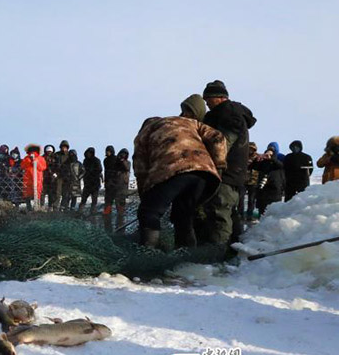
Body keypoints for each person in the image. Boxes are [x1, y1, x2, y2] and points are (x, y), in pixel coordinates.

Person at [133, 94, 227, 249]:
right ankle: (186, 258)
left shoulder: (147, 131)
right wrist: (219, 164)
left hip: (172, 170)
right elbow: (217, 137)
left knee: (149, 212)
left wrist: (146, 196)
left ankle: (147, 255)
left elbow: (140, 168)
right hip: (205, 176)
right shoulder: (190, 122)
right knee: (182, 216)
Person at [199, 80, 256, 249]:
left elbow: (223, 142)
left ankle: (217, 253)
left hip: (225, 172)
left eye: (208, 98)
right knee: (230, 212)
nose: (206, 103)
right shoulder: (228, 112)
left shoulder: (228, 112)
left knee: (220, 211)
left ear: (219, 97)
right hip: (234, 172)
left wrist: (216, 163)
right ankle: (235, 248)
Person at [251, 143, 285, 216]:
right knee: (262, 209)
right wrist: (257, 159)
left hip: (275, 189)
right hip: (263, 189)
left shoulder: (279, 159)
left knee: (274, 210)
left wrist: (272, 158)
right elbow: (254, 167)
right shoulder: (263, 161)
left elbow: (281, 165)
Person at [104, 148, 131, 217]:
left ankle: (120, 216)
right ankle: (106, 214)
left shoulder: (127, 162)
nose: (123, 155)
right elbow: (110, 172)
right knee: (108, 201)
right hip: (113, 185)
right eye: (122, 154)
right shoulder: (115, 162)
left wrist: (122, 161)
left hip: (122, 186)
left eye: (125, 154)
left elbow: (126, 168)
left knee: (120, 202)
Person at [20, 144, 46, 210]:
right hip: (28, 179)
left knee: (37, 192)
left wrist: (35, 161)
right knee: (27, 193)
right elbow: (22, 166)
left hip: (37, 179)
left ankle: (37, 207)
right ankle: (30, 207)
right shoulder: (26, 158)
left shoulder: (40, 158)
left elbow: (42, 167)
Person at [79, 147, 102, 214]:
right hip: (87, 183)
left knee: (94, 200)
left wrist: (92, 171)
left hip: (95, 183)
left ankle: (93, 211)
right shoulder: (85, 160)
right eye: (88, 153)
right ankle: (80, 211)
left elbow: (99, 169)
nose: (89, 154)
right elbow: (83, 170)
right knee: (83, 199)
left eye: (90, 153)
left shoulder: (96, 160)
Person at [243, 142, 260, 221]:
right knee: (240, 199)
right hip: (243, 181)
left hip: (253, 181)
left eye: (252, 149)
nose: (250, 150)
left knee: (251, 199)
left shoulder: (257, 157)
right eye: (249, 148)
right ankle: (241, 214)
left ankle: (249, 215)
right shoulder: (243, 156)